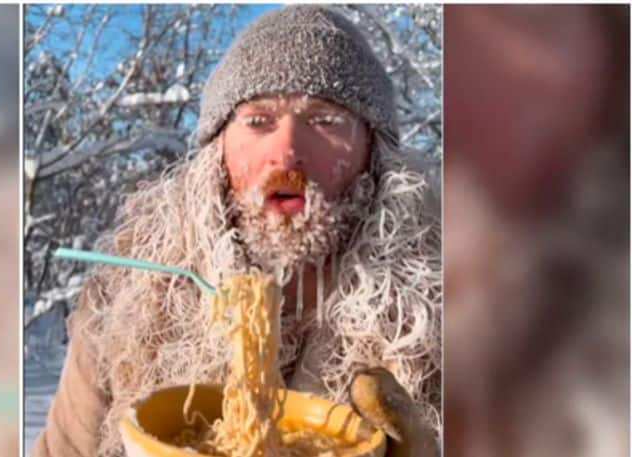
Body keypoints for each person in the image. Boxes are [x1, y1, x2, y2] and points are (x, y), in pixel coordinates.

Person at [34, 5, 440, 457]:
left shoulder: (451, 317)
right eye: (258, 121)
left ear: (375, 153)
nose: (286, 153)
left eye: (325, 121)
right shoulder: (121, 306)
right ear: (217, 152)